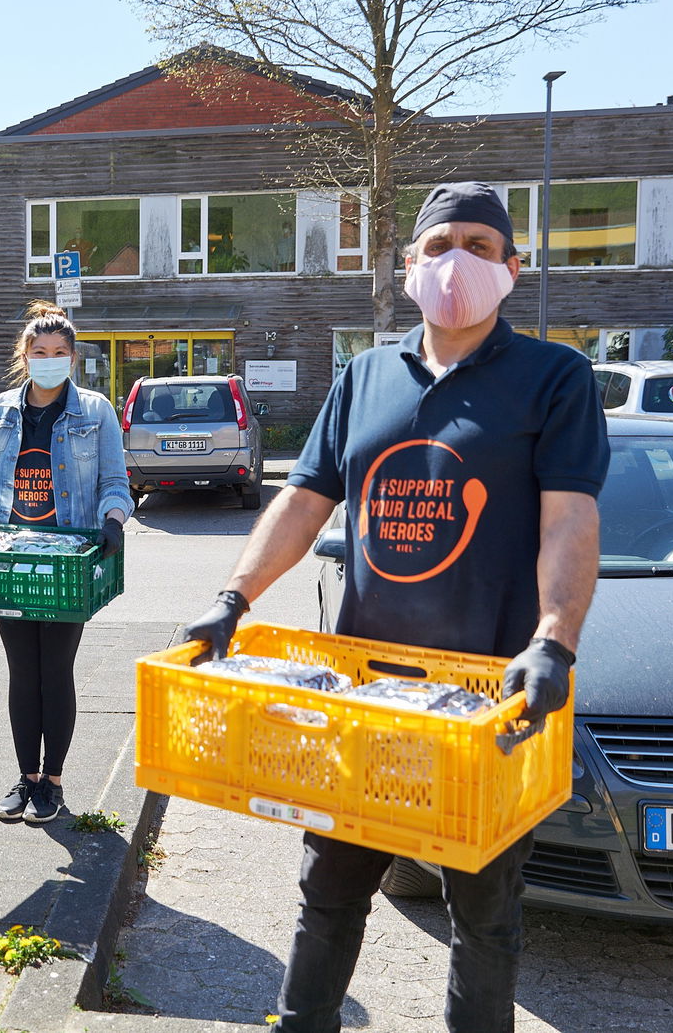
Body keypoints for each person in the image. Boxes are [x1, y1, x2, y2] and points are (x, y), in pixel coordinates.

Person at [182, 182, 609, 1033]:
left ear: (512, 271)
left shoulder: (552, 377)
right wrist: (233, 597)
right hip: (366, 694)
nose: (459, 262)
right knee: (329, 890)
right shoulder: (365, 375)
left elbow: (570, 518)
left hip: (486, 704)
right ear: (409, 264)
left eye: (481, 248)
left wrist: (554, 640)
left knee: (483, 915)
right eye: (441, 244)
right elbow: (304, 501)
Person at [0, 300, 132, 824]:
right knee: (22, 672)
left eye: (60, 352)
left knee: (55, 671)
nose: (49, 359)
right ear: (25, 355)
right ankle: (27, 777)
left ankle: (54, 781)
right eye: (40, 351)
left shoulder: (96, 411)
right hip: (9, 562)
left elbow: (115, 484)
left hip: (67, 561)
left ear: (72, 357)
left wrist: (112, 521)